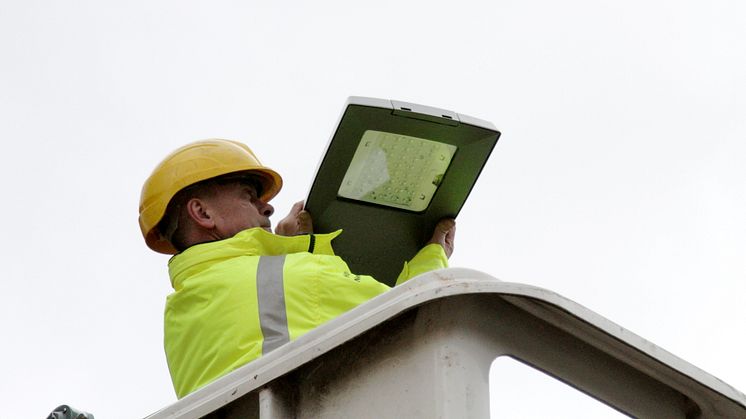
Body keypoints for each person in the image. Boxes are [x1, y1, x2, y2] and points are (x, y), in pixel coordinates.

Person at [138, 139, 456, 398]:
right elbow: (419, 311)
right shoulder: (290, 277)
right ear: (203, 213)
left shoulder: (182, 312)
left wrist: (288, 254)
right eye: (248, 195)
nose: (269, 206)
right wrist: (432, 255)